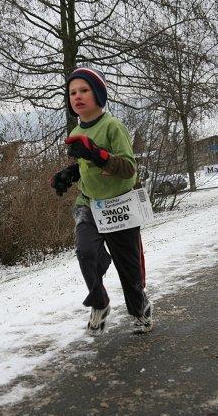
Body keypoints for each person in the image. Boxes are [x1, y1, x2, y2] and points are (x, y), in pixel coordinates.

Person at [50, 66, 151, 335]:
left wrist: (97, 154)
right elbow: (85, 164)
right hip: (90, 203)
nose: (77, 96)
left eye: (84, 90)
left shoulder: (113, 126)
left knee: (127, 268)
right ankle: (100, 302)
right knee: (85, 252)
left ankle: (140, 310)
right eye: (72, 92)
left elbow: (129, 168)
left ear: (98, 94)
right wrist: (68, 174)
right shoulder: (77, 128)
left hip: (119, 205)